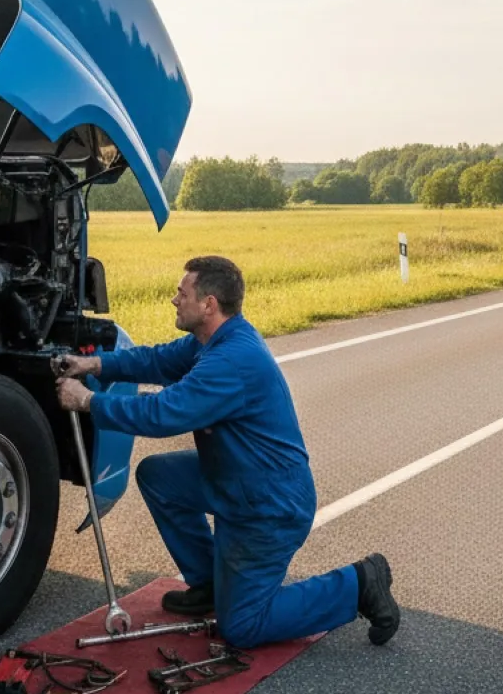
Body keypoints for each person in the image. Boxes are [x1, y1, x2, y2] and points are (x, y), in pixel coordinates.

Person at [54, 255, 399, 650]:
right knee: (159, 477)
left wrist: (87, 402)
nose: (173, 299)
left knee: (243, 626)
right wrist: (94, 363)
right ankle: (210, 585)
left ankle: (358, 584)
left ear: (209, 304)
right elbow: (156, 359)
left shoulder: (231, 361)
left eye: (182, 293)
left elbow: (163, 413)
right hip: (237, 478)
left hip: (268, 505)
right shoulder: (214, 340)